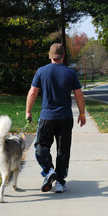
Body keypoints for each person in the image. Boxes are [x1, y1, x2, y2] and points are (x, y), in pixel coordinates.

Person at [26, 43, 86, 193]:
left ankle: (48, 170)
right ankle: (60, 182)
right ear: (63, 56)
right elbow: (78, 94)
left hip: (47, 117)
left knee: (41, 146)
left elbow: (33, 92)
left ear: (50, 56)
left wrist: (28, 111)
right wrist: (82, 113)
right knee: (63, 150)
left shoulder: (41, 71)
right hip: (65, 117)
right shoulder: (70, 73)